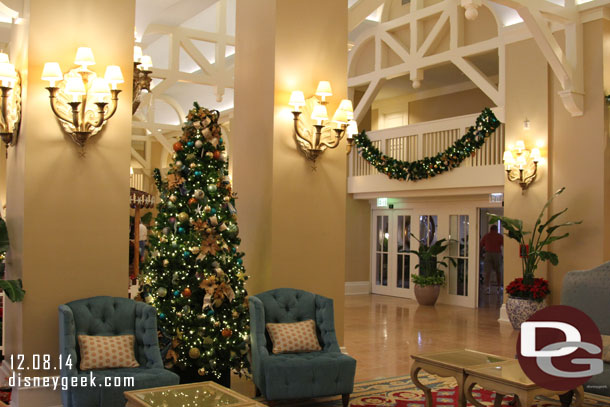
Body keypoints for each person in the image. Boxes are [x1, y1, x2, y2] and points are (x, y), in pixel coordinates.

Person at [480, 224, 503, 294]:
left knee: (487, 272)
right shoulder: (499, 236)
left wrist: (481, 255)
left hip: (488, 254)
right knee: (498, 271)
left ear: (490, 229)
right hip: (497, 254)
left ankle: (487, 288)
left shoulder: (486, 236)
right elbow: (504, 244)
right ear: (496, 229)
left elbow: (480, 245)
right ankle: (498, 288)